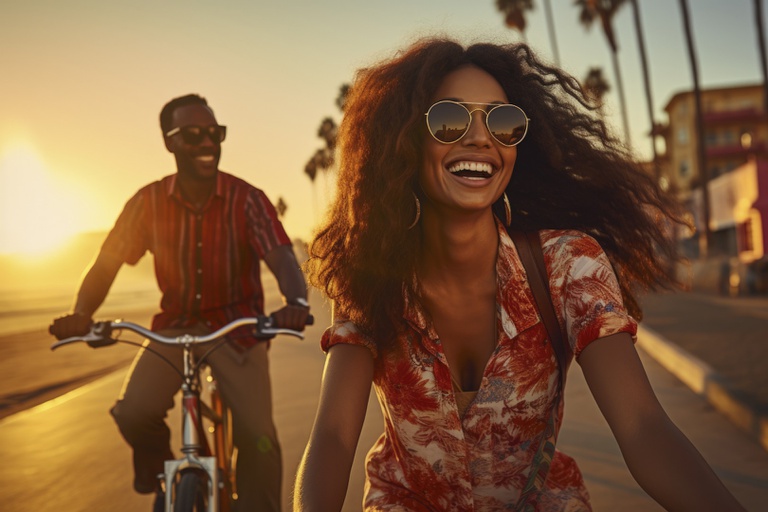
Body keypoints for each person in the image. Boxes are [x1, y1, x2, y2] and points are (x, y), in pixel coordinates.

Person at [293, 39, 746, 511]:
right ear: (405, 139)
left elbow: (643, 427)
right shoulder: (372, 275)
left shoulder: (568, 265)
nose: (480, 138)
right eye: (450, 119)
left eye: (502, 122)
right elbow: (333, 437)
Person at [50, 93, 309, 512]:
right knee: (134, 412)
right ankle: (164, 474)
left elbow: (280, 255)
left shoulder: (247, 198)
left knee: (258, 436)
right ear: (169, 142)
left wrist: (294, 300)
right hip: (174, 326)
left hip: (238, 329)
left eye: (215, 133)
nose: (208, 142)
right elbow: (106, 264)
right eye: (193, 135)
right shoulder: (147, 202)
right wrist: (81, 315)